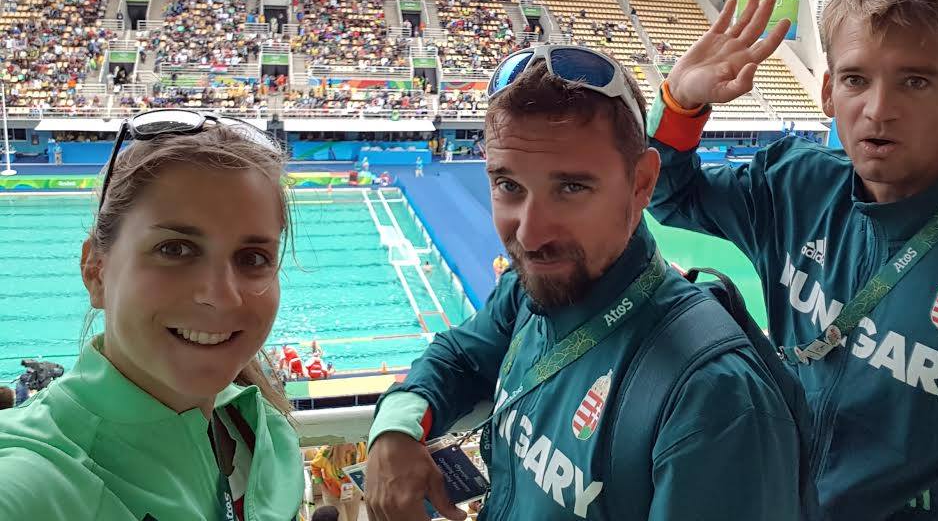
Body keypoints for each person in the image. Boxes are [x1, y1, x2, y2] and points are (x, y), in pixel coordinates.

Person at [647, 0, 938, 521]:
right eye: (855, 79)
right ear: (827, 92)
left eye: (913, 81)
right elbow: (668, 194)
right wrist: (680, 102)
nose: (878, 108)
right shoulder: (795, 187)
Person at [362, 46, 807, 521]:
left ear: (642, 184)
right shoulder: (529, 293)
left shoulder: (715, 401)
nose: (530, 235)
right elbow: (458, 355)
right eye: (508, 185)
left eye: (571, 188)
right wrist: (395, 430)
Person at [0, 111, 304, 519]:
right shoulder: (35, 482)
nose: (222, 297)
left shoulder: (265, 432)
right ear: (96, 271)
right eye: (175, 249)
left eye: (252, 257)